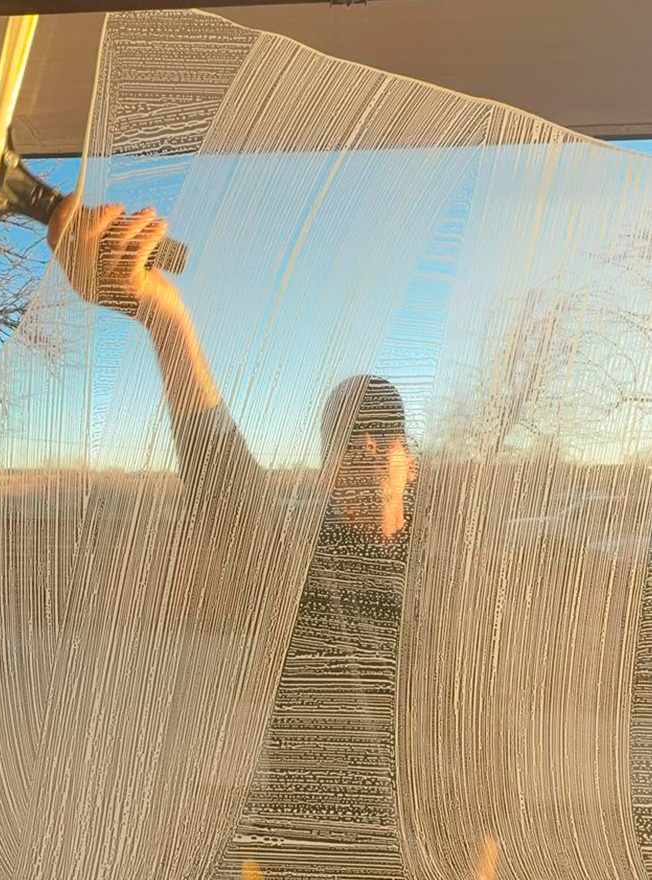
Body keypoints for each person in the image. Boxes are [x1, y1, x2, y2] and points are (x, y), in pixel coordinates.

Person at [47, 197, 493, 880]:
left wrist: (477, 852)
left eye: (385, 432)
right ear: (323, 473)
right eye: (347, 436)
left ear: (414, 464)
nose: (368, 446)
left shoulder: (451, 579)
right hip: (293, 853)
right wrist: (164, 318)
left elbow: (471, 733)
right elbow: (222, 475)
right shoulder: (295, 564)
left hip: (414, 858)